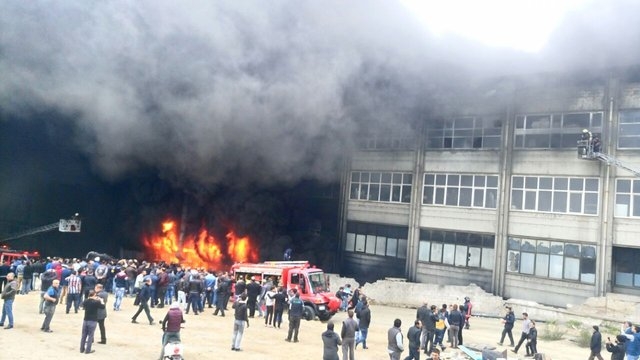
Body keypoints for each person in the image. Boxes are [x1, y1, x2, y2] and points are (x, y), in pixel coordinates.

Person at [80, 289, 105, 354]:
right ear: (94, 295)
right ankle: (88, 350)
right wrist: (101, 301)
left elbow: (82, 305)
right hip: (93, 320)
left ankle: (81, 349)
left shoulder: (86, 301)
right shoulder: (96, 302)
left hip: (86, 320)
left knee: (84, 335)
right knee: (90, 335)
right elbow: (103, 307)